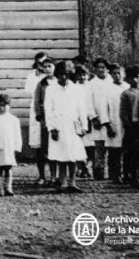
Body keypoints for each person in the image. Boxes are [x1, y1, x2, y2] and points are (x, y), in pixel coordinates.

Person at [45, 61, 86, 193]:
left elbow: (81, 108)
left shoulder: (75, 88)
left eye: (66, 74)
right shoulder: (51, 89)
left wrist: (84, 125)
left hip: (73, 124)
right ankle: (62, 182)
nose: (63, 77)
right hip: (58, 125)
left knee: (73, 155)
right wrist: (51, 128)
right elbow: (48, 109)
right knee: (61, 155)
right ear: (57, 75)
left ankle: (72, 182)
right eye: (61, 74)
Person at [0, 94, 21, 196]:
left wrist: (17, 148)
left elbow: (17, 135)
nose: (1, 108)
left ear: (9, 106)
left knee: (8, 168)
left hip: (9, 148)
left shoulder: (14, 119)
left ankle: (8, 187)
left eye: (4, 105)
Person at [30, 58, 55, 185]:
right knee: (44, 149)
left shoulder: (59, 82)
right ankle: (42, 176)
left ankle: (55, 176)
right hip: (46, 120)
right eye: (44, 67)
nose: (47, 69)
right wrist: (40, 118)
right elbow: (36, 101)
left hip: (59, 119)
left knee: (56, 148)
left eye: (49, 66)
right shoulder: (41, 84)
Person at [119, 66, 139, 187]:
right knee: (130, 152)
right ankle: (129, 175)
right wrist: (129, 126)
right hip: (131, 128)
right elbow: (123, 113)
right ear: (128, 79)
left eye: (138, 76)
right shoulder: (126, 94)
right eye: (132, 77)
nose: (136, 79)